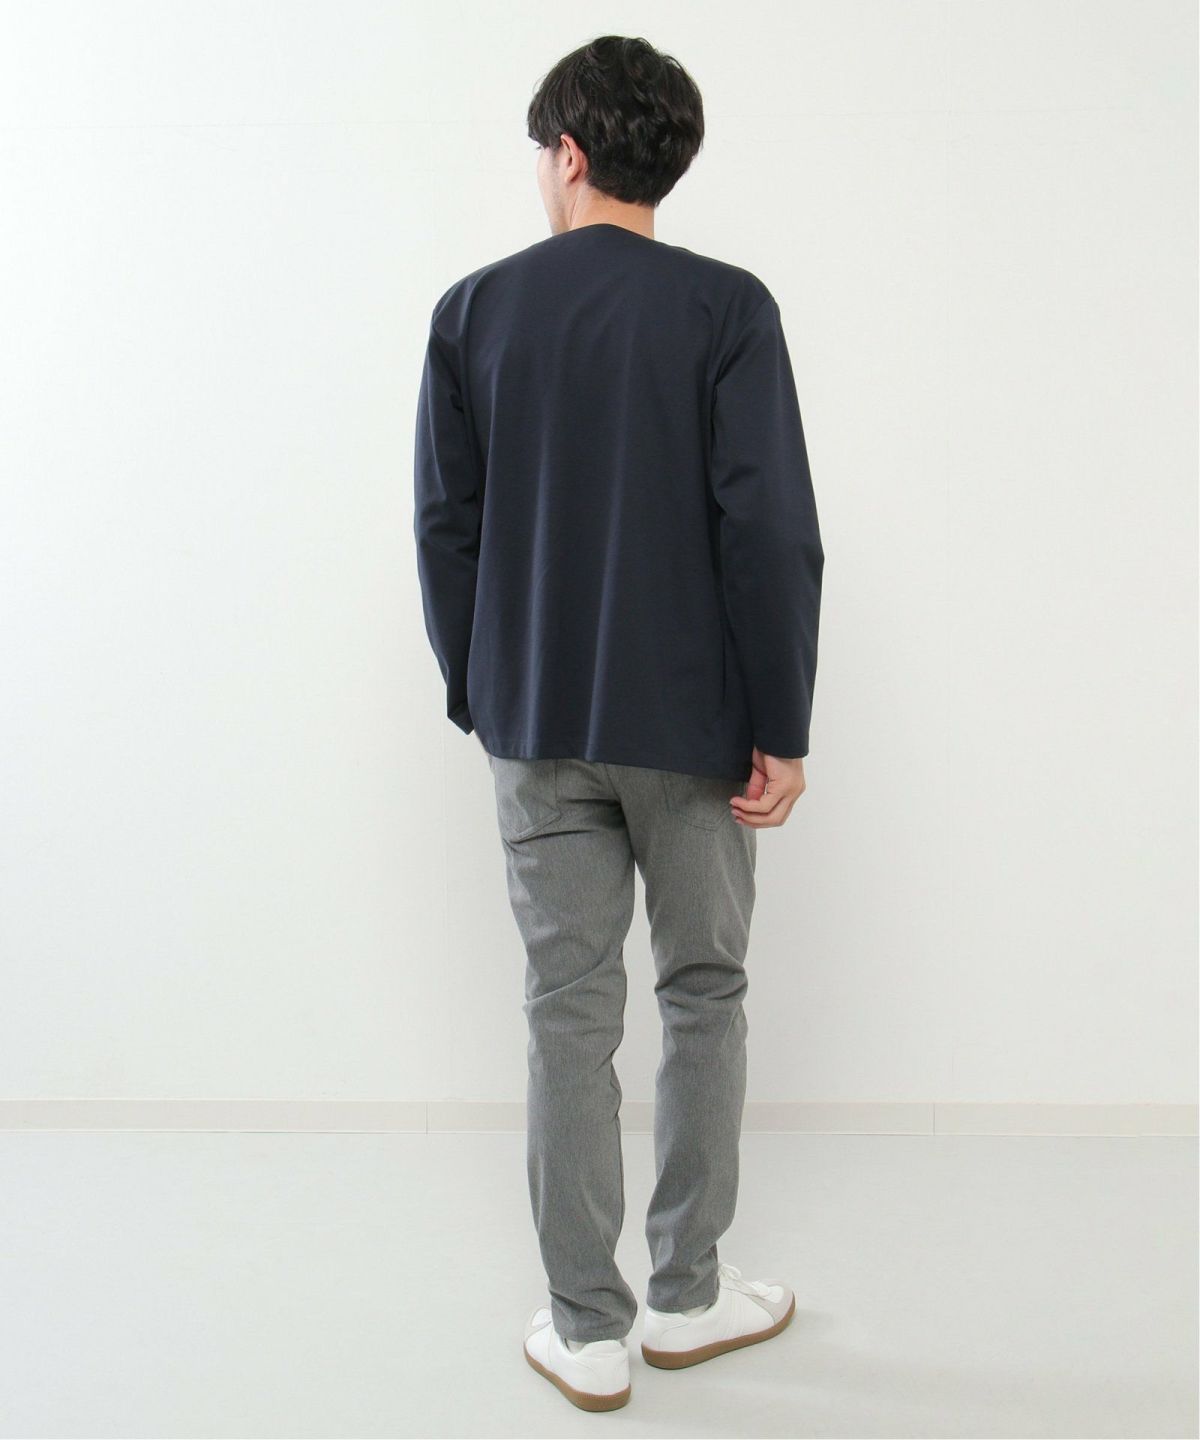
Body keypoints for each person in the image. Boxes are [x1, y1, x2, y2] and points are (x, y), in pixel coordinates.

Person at [413, 33, 824, 1413]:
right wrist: (781, 722)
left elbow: (445, 527)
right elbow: (770, 532)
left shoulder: (474, 311)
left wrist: (482, 689)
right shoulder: (728, 309)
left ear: (571, 153)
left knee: (565, 1012)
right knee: (704, 995)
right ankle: (687, 1299)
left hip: (535, 721)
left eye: (544, 152)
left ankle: (586, 1328)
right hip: (696, 728)